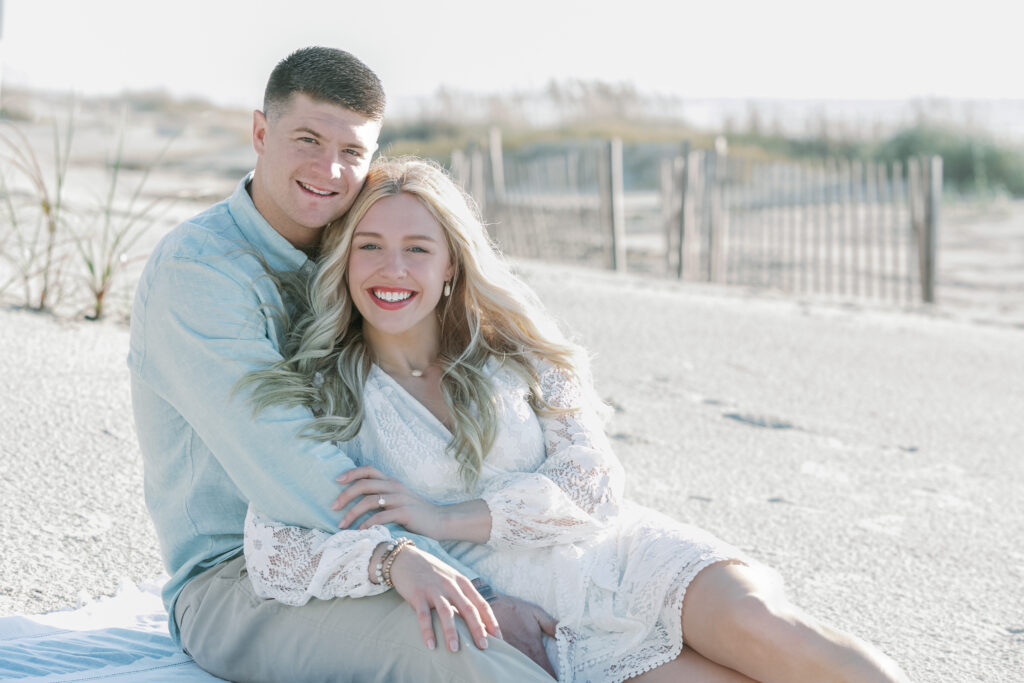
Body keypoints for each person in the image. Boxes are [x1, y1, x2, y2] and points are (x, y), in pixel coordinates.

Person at [239, 156, 910, 682]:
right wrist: (396, 557)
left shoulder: (517, 352)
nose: (393, 269)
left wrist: (444, 516)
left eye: (417, 247)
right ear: (344, 260)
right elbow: (275, 547)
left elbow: (592, 484)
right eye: (370, 246)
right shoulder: (326, 391)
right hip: (543, 611)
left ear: (450, 265)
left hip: (627, 552)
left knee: (769, 629)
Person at [129, 47, 555, 682]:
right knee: (465, 647)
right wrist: (455, 577)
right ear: (259, 133)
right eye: (307, 139)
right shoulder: (200, 273)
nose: (328, 168)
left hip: (410, 543)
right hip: (245, 579)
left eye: (352, 152)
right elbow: (286, 459)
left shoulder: (362, 249)